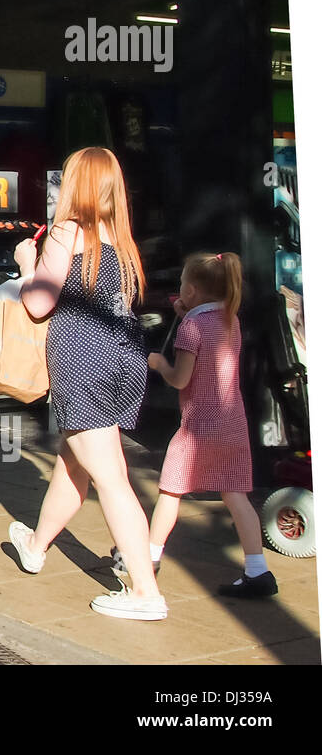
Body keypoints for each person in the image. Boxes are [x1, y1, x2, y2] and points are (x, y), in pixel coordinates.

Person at [6, 146, 166, 620]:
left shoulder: (67, 231)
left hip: (82, 363)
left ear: (75, 184)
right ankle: (35, 547)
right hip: (123, 360)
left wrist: (25, 264)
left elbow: (37, 304)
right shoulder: (120, 237)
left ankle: (144, 592)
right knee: (74, 463)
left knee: (112, 478)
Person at [139, 252, 276, 598]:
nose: (179, 288)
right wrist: (187, 315)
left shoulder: (191, 326)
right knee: (236, 495)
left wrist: (158, 364)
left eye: (183, 283)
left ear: (193, 290)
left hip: (198, 427)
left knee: (171, 490)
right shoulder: (230, 319)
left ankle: (149, 557)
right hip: (232, 423)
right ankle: (258, 570)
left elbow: (181, 379)